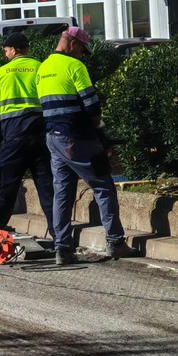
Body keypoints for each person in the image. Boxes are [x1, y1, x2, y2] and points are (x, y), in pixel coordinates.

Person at [37, 26, 137, 265]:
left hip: (53, 138)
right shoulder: (75, 66)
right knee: (103, 186)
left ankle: (62, 248)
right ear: (72, 43)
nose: (82, 54)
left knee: (62, 193)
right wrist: (102, 134)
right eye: (82, 49)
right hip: (76, 137)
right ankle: (115, 241)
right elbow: (91, 105)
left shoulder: (43, 68)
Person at [0, 32, 54, 235]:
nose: (5, 55)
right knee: (47, 188)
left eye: (6, 51)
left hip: (13, 137)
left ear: (14, 50)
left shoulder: (2, 73)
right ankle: (60, 239)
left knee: (5, 188)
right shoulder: (40, 68)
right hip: (40, 135)